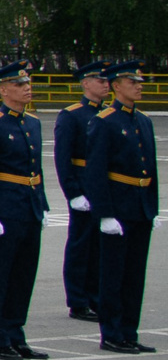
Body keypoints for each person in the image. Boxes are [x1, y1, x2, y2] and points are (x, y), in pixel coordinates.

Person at [0, 62, 50, 360]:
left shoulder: (32, 123)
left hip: (28, 207)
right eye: (20, 85)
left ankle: (16, 333)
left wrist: (41, 205)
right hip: (4, 210)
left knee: (23, 276)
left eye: (28, 83)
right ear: (4, 90)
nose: (27, 88)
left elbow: (37, 169)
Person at [86, 61, 156, 354]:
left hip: (139, 206)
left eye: (139, 81)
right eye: (133, 82)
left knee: (134, 274)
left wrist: (152, 207)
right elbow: (96, 171)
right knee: (113, 274)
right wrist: (104, 213)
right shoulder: (105, 121)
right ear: (116, 86)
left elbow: (150, 167)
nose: (139, 86)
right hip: (118, 206)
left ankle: (129, 330)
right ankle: (112, 333)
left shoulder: (143, 121)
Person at [54, 59, 111, 323]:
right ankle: (78, 300)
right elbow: (63, 158)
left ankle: (97, 297)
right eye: (100, 80)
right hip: (84, 186)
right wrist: (73, 193)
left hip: (106, 187)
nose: (106, 84)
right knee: (82, 244)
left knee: (102, 246)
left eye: (107, 80)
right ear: (86, 83)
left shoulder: (108, 114)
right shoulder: (73, 115)